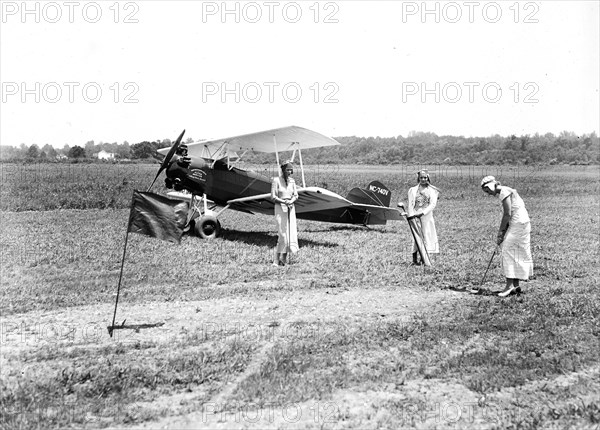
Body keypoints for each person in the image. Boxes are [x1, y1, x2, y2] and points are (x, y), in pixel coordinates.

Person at [480, 176, 533, 297]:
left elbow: (507, 214)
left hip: (518, 224)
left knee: (507, 251)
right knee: (515, 252)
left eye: (487, 191)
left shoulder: (504, 192)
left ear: (490, 186)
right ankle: (515, 285)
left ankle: (509, 286)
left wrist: (500, 233)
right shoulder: (506, 190)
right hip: (522, 223)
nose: (488, 194)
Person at [406, 170, 440, 265]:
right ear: (419, 178)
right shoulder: (412, 190)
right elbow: (410, 204)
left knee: (426, 236)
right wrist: (411, 216)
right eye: (421, 177)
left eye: (425, 177)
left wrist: (423, 213)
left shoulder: (433, 191)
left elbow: (433, 204)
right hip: (415, 217)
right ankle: (414, 260)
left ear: (428, 178)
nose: (423, 179)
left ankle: (424, 259)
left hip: (426, 217)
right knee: (415, 237)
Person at [271, 161, 299, 266]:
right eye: (288, 169)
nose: (290, 172)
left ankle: (284, 259)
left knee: (289, 234)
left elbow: (296, 195)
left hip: (290, 208)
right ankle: (276, 260)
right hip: (280, 208)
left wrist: (291, 201)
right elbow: (273, 197)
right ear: (283, 170)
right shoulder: (276, 180)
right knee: (282, 235)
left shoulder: (292, 181)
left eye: (291, 169)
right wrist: (284, 202)